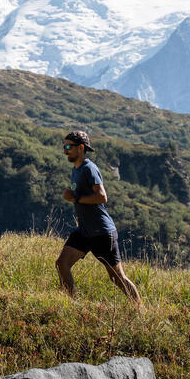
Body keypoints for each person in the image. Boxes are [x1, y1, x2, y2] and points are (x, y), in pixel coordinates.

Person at [55, 130, 142, 306]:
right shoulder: (76, 169)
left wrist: (76, 198)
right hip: (85, 231)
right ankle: (71, 305)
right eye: (64, 146)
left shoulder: (89, 168)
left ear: (80, 148)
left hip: (102, 233)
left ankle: (139, 309)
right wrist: (71, 194)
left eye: (68, 146)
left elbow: (102, 196)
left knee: (117, 278)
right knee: (61, 264)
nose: (65, 150)